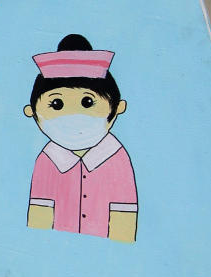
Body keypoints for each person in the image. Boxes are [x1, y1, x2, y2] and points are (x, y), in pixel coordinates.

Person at [24, 34, 137, 243]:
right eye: (56, 105)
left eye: (87, 102)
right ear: (32, 111)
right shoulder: (47, 160)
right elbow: (39, 219)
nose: (72, 117)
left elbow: (125, 219)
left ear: (117, 107)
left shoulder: (117, 159)